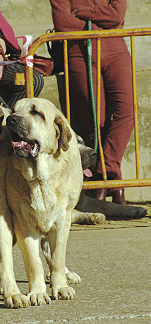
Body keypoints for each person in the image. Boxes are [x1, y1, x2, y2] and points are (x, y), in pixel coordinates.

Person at [49, 0, 133, 205]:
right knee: (94, 118)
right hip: (79, 50)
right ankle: (113, 183)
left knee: (126, 111)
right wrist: (100, 20)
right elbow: (63, 22)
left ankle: (106, 174)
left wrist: (82, 13)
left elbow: (117, 14)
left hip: (114, 46)